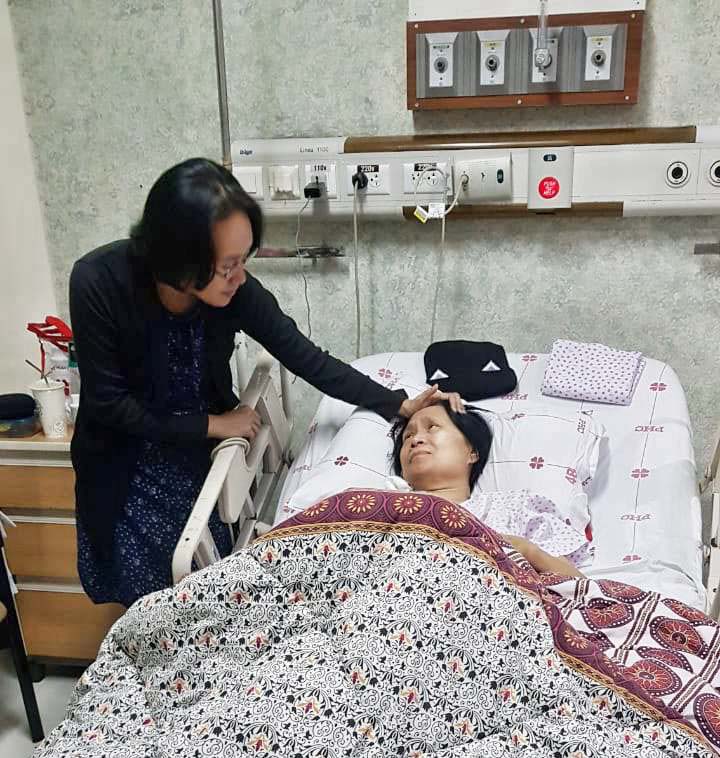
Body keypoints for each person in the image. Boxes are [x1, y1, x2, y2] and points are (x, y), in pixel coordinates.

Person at [69, 158, 462, 608]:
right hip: (124, 465)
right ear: (180, 260)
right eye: (227, 266)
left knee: (203, 591)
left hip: (195, 458)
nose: (240, 277)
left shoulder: (237, 291)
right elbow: (110, 405)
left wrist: (397, 403)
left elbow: (305, 356)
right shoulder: (98, 282)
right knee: (142, 600)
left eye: (244, 260)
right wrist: (215, 424)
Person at [390, 402, 585, 578]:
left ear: (472, 452)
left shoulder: (513, 508)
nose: (416, 440)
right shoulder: (386, 509)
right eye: (408, 436)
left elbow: (579, 585)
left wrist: (522, 549)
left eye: (432, 427)